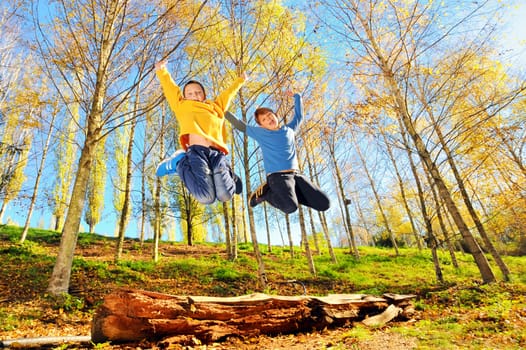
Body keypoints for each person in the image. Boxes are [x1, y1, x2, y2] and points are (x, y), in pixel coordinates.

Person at [155, 59, 245, 204]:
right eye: (190, 93)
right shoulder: (181, 105)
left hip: (216, 153)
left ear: (204, 95)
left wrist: (241, 80)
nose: (195, 95)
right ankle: (179, 163)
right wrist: (162, 71)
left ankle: (228, 173)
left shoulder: (215, 107)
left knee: (225, 196)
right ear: (185, 96)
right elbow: (171, 89)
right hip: (196, 152)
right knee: (206, 197)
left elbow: (228, 94)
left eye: (198, 92)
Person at [224, 91, 330, 214]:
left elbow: (299, 117)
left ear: (276, 115)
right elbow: (240, 125)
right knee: (290, 207)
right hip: (277, 177)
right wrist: (223, 111)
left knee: (324, 204)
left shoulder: (289, 130)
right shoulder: (261, 133)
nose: (268, 119)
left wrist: (297, 97)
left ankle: (291, 195)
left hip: (296, 176)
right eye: (264, 119)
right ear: (261, 125)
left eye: (269, 115)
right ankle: (266, 194)